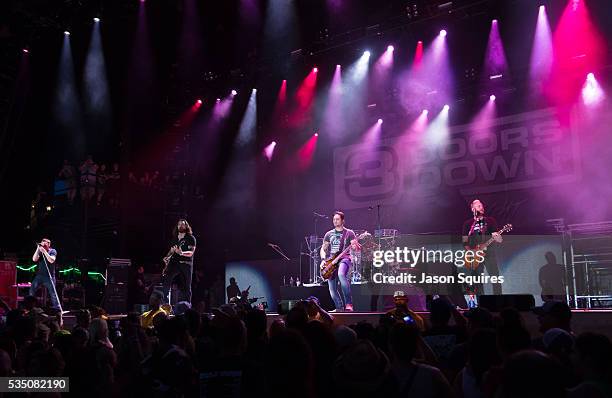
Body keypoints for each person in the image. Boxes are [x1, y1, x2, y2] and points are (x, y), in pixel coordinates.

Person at [462, 199, 503, 299]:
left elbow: (499, 240)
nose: (482, 207)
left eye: (482, 205)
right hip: (475, 256)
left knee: (495, 278)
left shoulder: (490, 221)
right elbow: (465, 241)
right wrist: (471, 252)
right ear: (473, 208)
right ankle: (481, 302)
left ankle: (499, 300)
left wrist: (497, 236)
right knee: (478, 281)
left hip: (489, 254)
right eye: (479, 205)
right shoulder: (468, 224)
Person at [320, 211, 361, 312]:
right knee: (332, 289)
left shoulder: (349, 233)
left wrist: (356, 246)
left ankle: (349, 304)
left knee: (341, 274)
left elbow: (355, 248)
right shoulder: (328, 234)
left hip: (345, 258)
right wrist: (323, 260)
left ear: (343, 220)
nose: (335, 221)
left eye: (337, 219)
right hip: (332, 261)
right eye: (334, 219)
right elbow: (323, 248)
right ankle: (339, 308)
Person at [161, 219, 196, 306]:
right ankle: (165, 303)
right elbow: (172, 251)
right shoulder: (175, 238)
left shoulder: (191, 238)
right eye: (179, 224)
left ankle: (187, 305)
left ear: (186, 226)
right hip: (175, 263)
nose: (181, 226)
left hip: (186, 264)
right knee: (167, 279)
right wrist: (167, 257)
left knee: (187, 286)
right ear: (177, 226)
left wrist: (182, 253)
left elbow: (191, 252)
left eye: (183, 225)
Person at [30, 238, 60, 310]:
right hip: (39, 276)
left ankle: (57, 308)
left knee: (53, 293)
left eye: (45, 242)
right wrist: (38, 249)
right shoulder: (40, 252)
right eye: (42, 242)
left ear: (49, 244)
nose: (43, 244)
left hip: (49, 276)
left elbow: (51, 260)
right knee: (32, 290)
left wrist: (45, 252)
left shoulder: (53, 251)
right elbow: (34, 259)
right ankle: (30, 307)